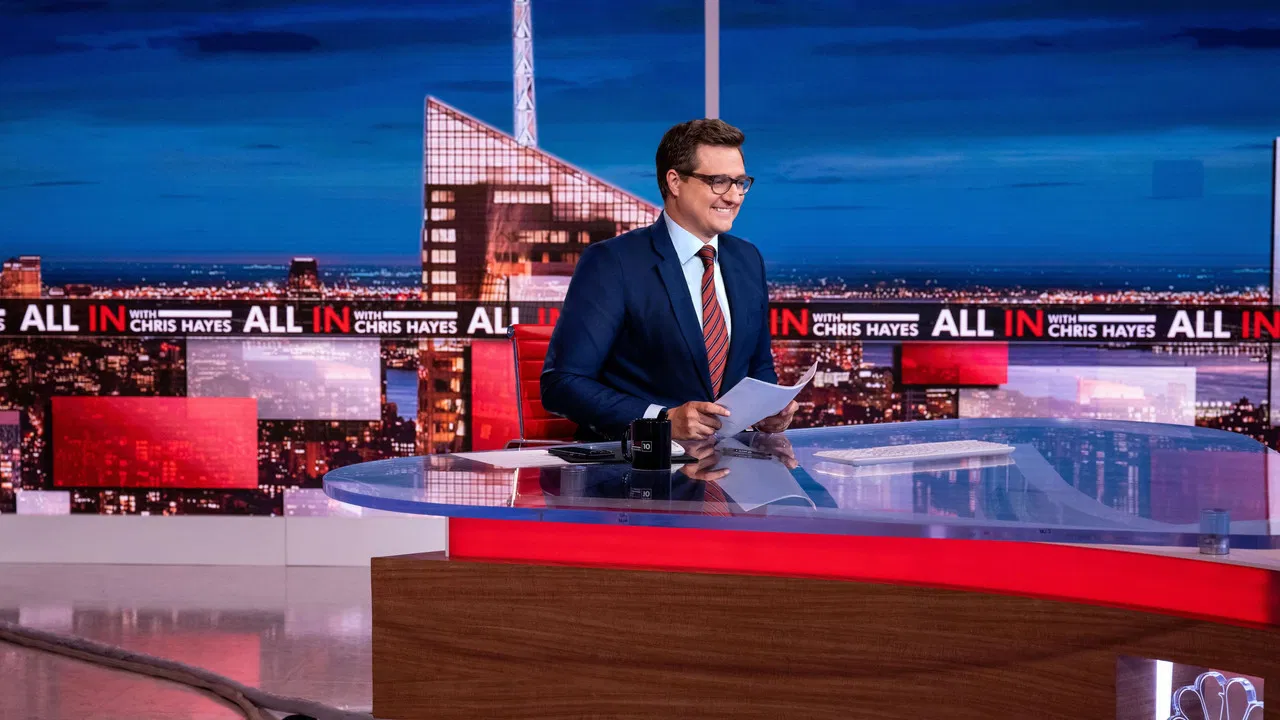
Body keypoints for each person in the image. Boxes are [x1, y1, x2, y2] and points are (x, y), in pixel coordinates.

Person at [541, 118, 798, 441]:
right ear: (675, 182)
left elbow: (759, 368)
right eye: (719, 182)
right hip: (639, 463)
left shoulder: (748, 259)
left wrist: (769, 409)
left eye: (740, 182)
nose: (734, 197)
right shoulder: (612, 262)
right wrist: (662, 420)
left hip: (727, 461)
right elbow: (562, 384)